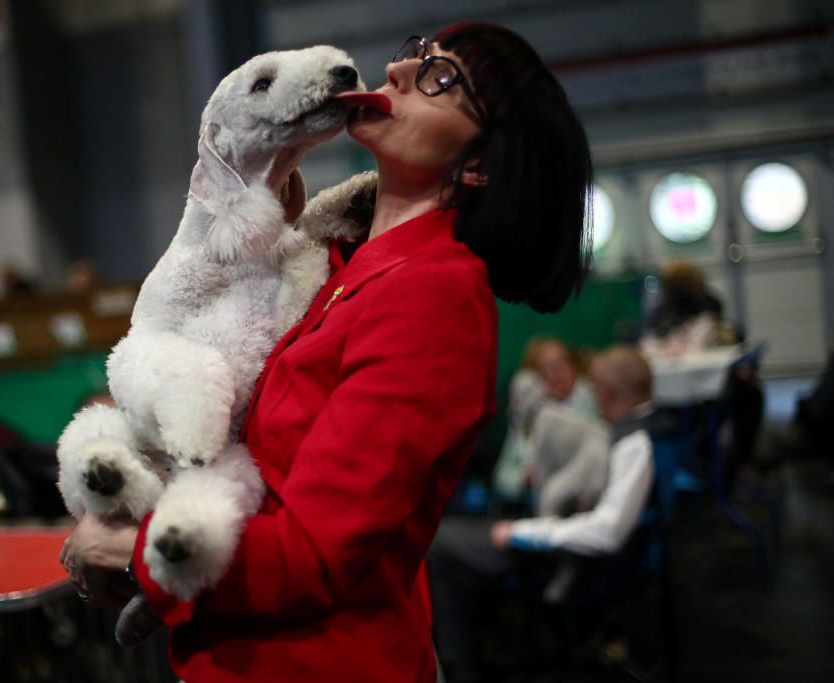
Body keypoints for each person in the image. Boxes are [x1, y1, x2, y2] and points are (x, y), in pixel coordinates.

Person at [60, 22, 593, 682]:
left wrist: (134, 554)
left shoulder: (436, 294)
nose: (398, 74)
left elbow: (313, 550)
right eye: (412, 56)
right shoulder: (333, 263)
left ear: (480, 161)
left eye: (441, 79)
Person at [427, 346, 666, 682]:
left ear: (607, 392)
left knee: (439, 546)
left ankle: (457, 665)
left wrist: (523, 533)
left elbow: (607, 531)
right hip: (565, 537)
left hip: (567, 556)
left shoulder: (634, 443)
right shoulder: (652, 430)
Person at [491, 336, 599, 506]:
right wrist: (523, 480)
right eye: (543, 371)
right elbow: (502, 477)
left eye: (558, 366)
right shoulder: (528, 420)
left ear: (573, 367)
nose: (553, 376)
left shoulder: (595, 408)